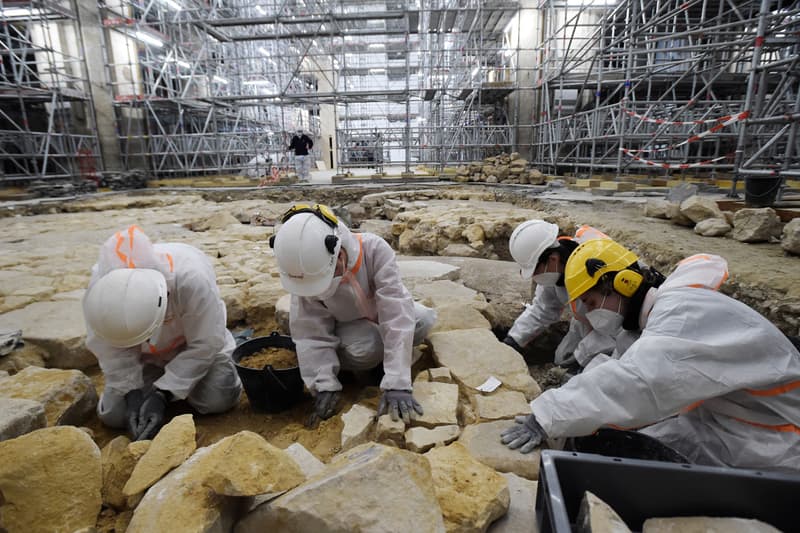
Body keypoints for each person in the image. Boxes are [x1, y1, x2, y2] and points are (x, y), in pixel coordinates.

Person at [501, 238, 800, 473]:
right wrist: (566, 395)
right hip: (722, 416)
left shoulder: (681, 314)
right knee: (626, 439)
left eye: (591, 303)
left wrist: (548, 415)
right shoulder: (649, 318)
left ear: (621, 284)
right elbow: (618, 363)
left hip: (773, 437)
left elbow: (638, 381)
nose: (591, 314)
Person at [270, 203, 437, 425]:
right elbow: (310, 332)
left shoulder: (374, 250)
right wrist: (323, 383)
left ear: (339, 254)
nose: (325, 285)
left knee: (422, 321)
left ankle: (383, 365)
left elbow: (396, 311)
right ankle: (350, 369)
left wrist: (398, 382)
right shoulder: (303, 272)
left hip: (378, 315)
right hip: (348, 328)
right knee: (370, 347)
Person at [83, 225, 242, 441]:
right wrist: (131, 392)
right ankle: (157, 384)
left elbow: (206, 342)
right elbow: (109, 348)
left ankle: (226, 354)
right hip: (144, 358)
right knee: (115, 416)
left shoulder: (191, 279)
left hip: (193, 348)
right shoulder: (100, 292)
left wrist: (163, 394)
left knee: (217, 399)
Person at [504, 220, 620, 371]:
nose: (534, 278)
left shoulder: (598, 270)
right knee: (562, 359)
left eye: (535, 271)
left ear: (552, 259)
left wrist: (582, 356)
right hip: (585, 322)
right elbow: (542, 309)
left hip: (619, 329)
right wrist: (513, 339)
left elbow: (615, 328)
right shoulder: (555, 271)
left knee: (590, 371)